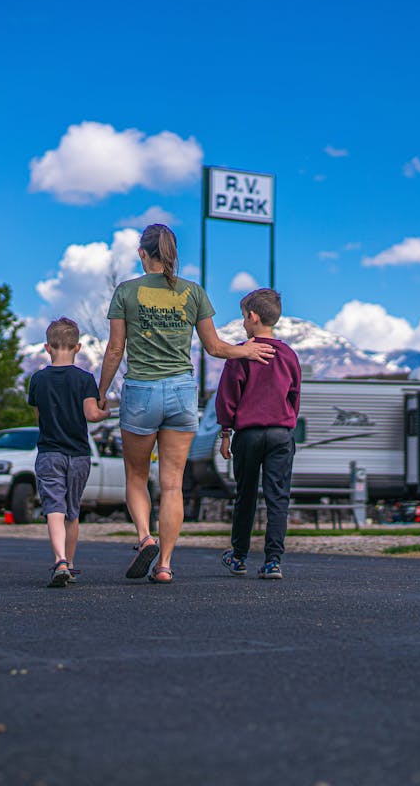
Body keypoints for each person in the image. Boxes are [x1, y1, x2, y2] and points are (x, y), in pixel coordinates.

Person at [98, 224, 276, 584]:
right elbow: (214, 347)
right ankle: (164, 564)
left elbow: (116, 349)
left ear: (142, 254)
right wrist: (246, 350)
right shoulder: (193, 292)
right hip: (181, 392)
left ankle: (145, 537)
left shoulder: (126, 292)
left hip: (141, 391)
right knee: (174, 484)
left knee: (135, 477)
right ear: (172, 253)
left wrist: (100, 393)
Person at [215, 288, 301, 579]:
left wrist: (226, 432)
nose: (242, 323)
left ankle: (238, 556)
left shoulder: (240, 354)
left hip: (249, 435)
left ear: (252, 317)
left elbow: (228, 397)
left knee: (246, 495)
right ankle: (273, 561)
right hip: (280, 434)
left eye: (242, 317)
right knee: (278, 498)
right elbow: (294, 396)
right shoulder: (289, 355)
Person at [28, 317, 110, 587]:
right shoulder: (85, 379)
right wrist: (104, 412)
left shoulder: (37, 380)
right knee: (72, 511)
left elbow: (39, 415)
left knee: (54, 507)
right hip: (79, 454)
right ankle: (71, 564)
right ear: (77, 347)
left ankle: (59, 560)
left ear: (47, 347)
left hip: (49, 452)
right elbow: (91, 414)